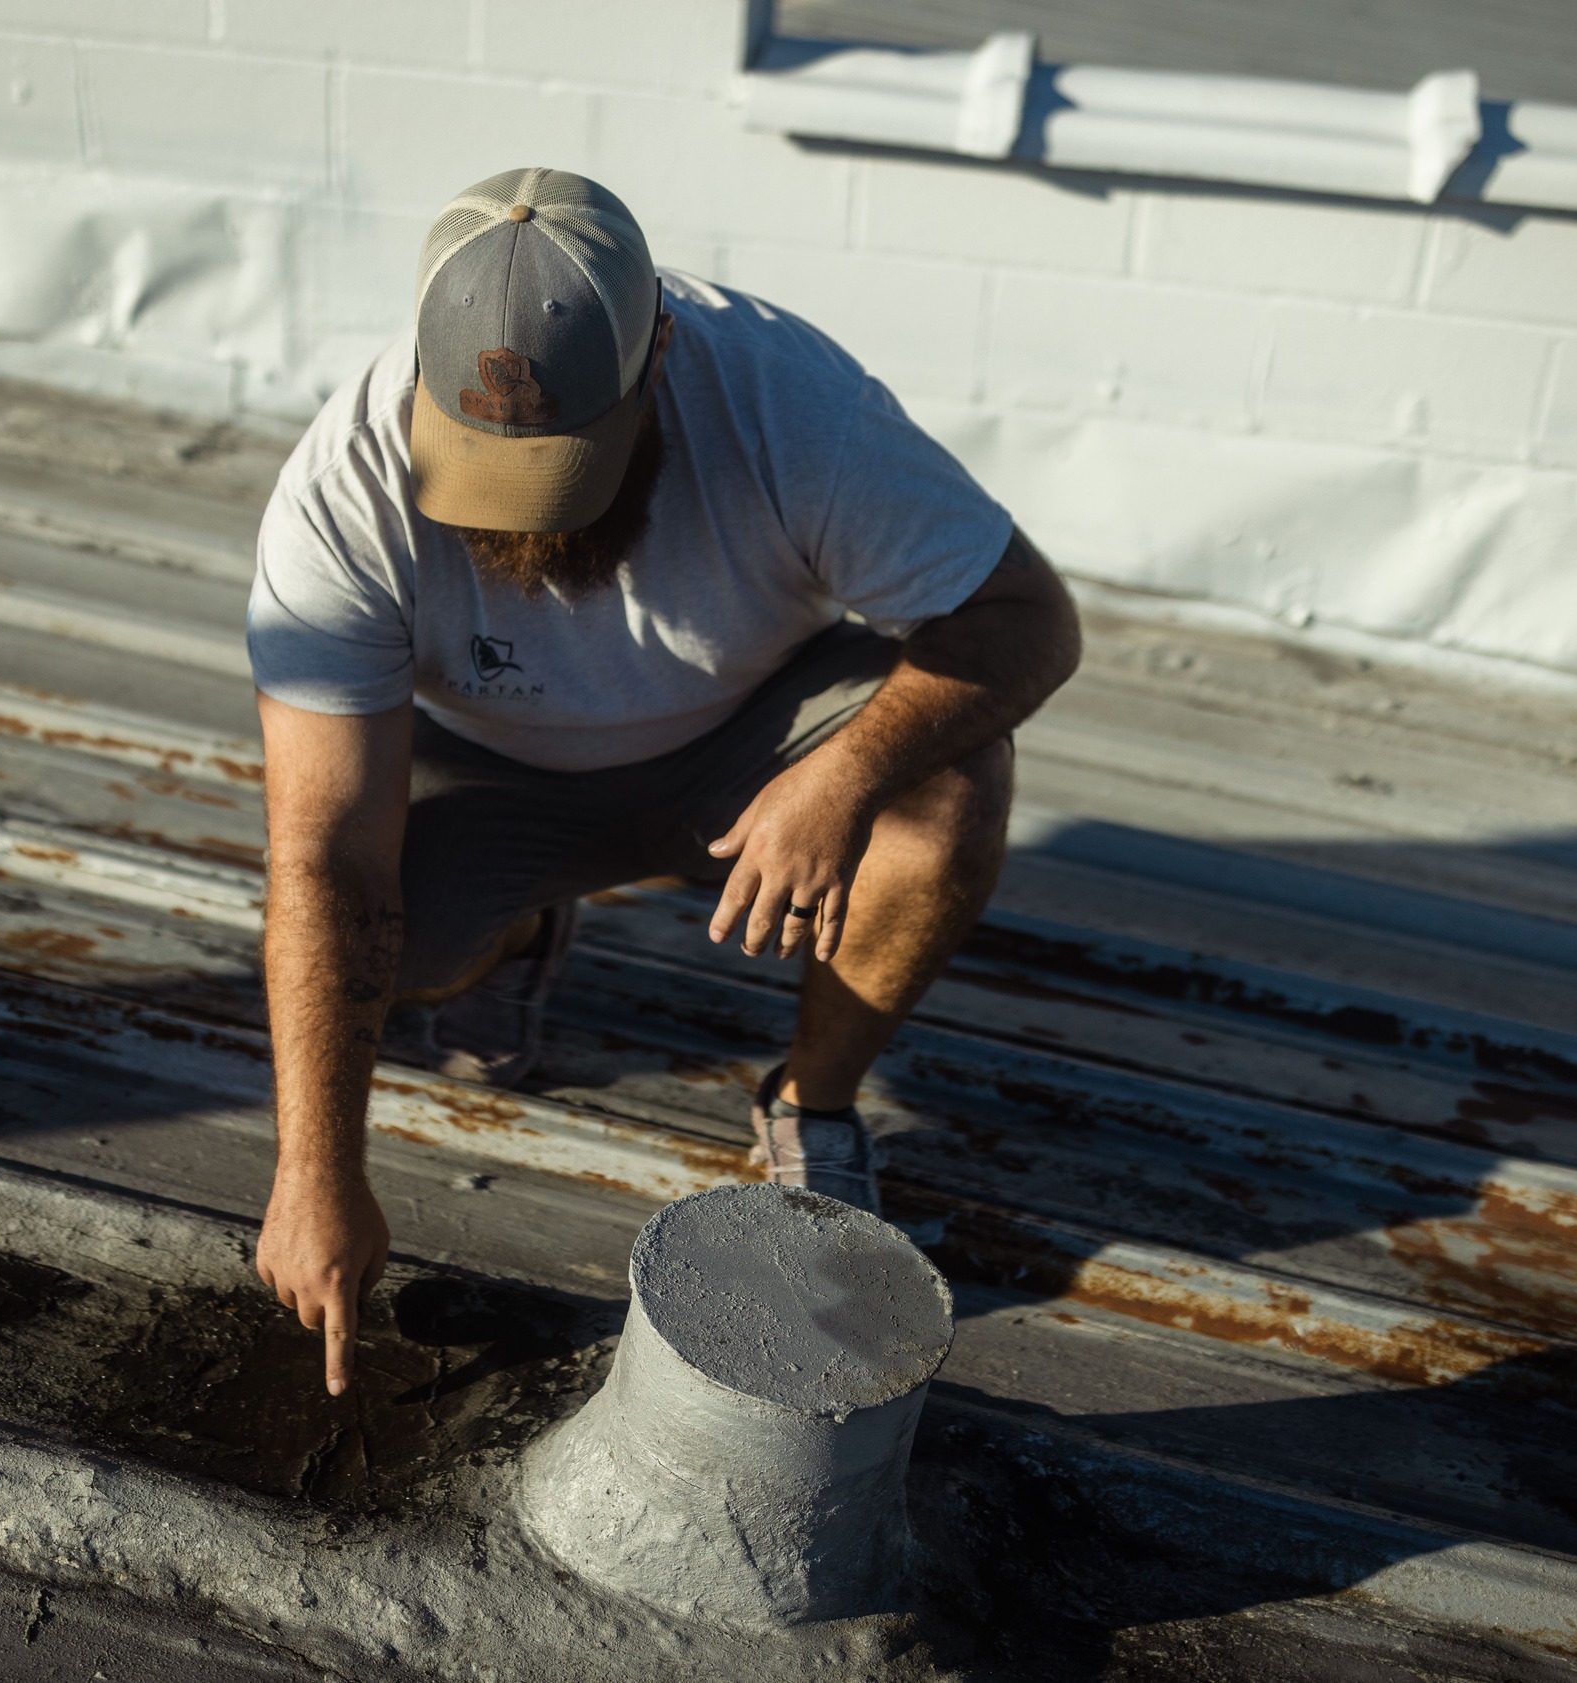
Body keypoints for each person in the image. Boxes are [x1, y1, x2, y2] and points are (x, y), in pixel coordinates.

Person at [247, 167, 1080, 1394]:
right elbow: (326, 854)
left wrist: (844, 777)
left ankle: (815, 1105)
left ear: (662, 356)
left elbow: (1026, 620)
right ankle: (520, 926)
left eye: (564, 464)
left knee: (945, 794)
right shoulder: (343, 490)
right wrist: (315, 1177)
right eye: (486, 464)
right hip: (499, 770)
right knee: (386, 947)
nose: (525, 513)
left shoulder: (788, 401)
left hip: (758, 743)